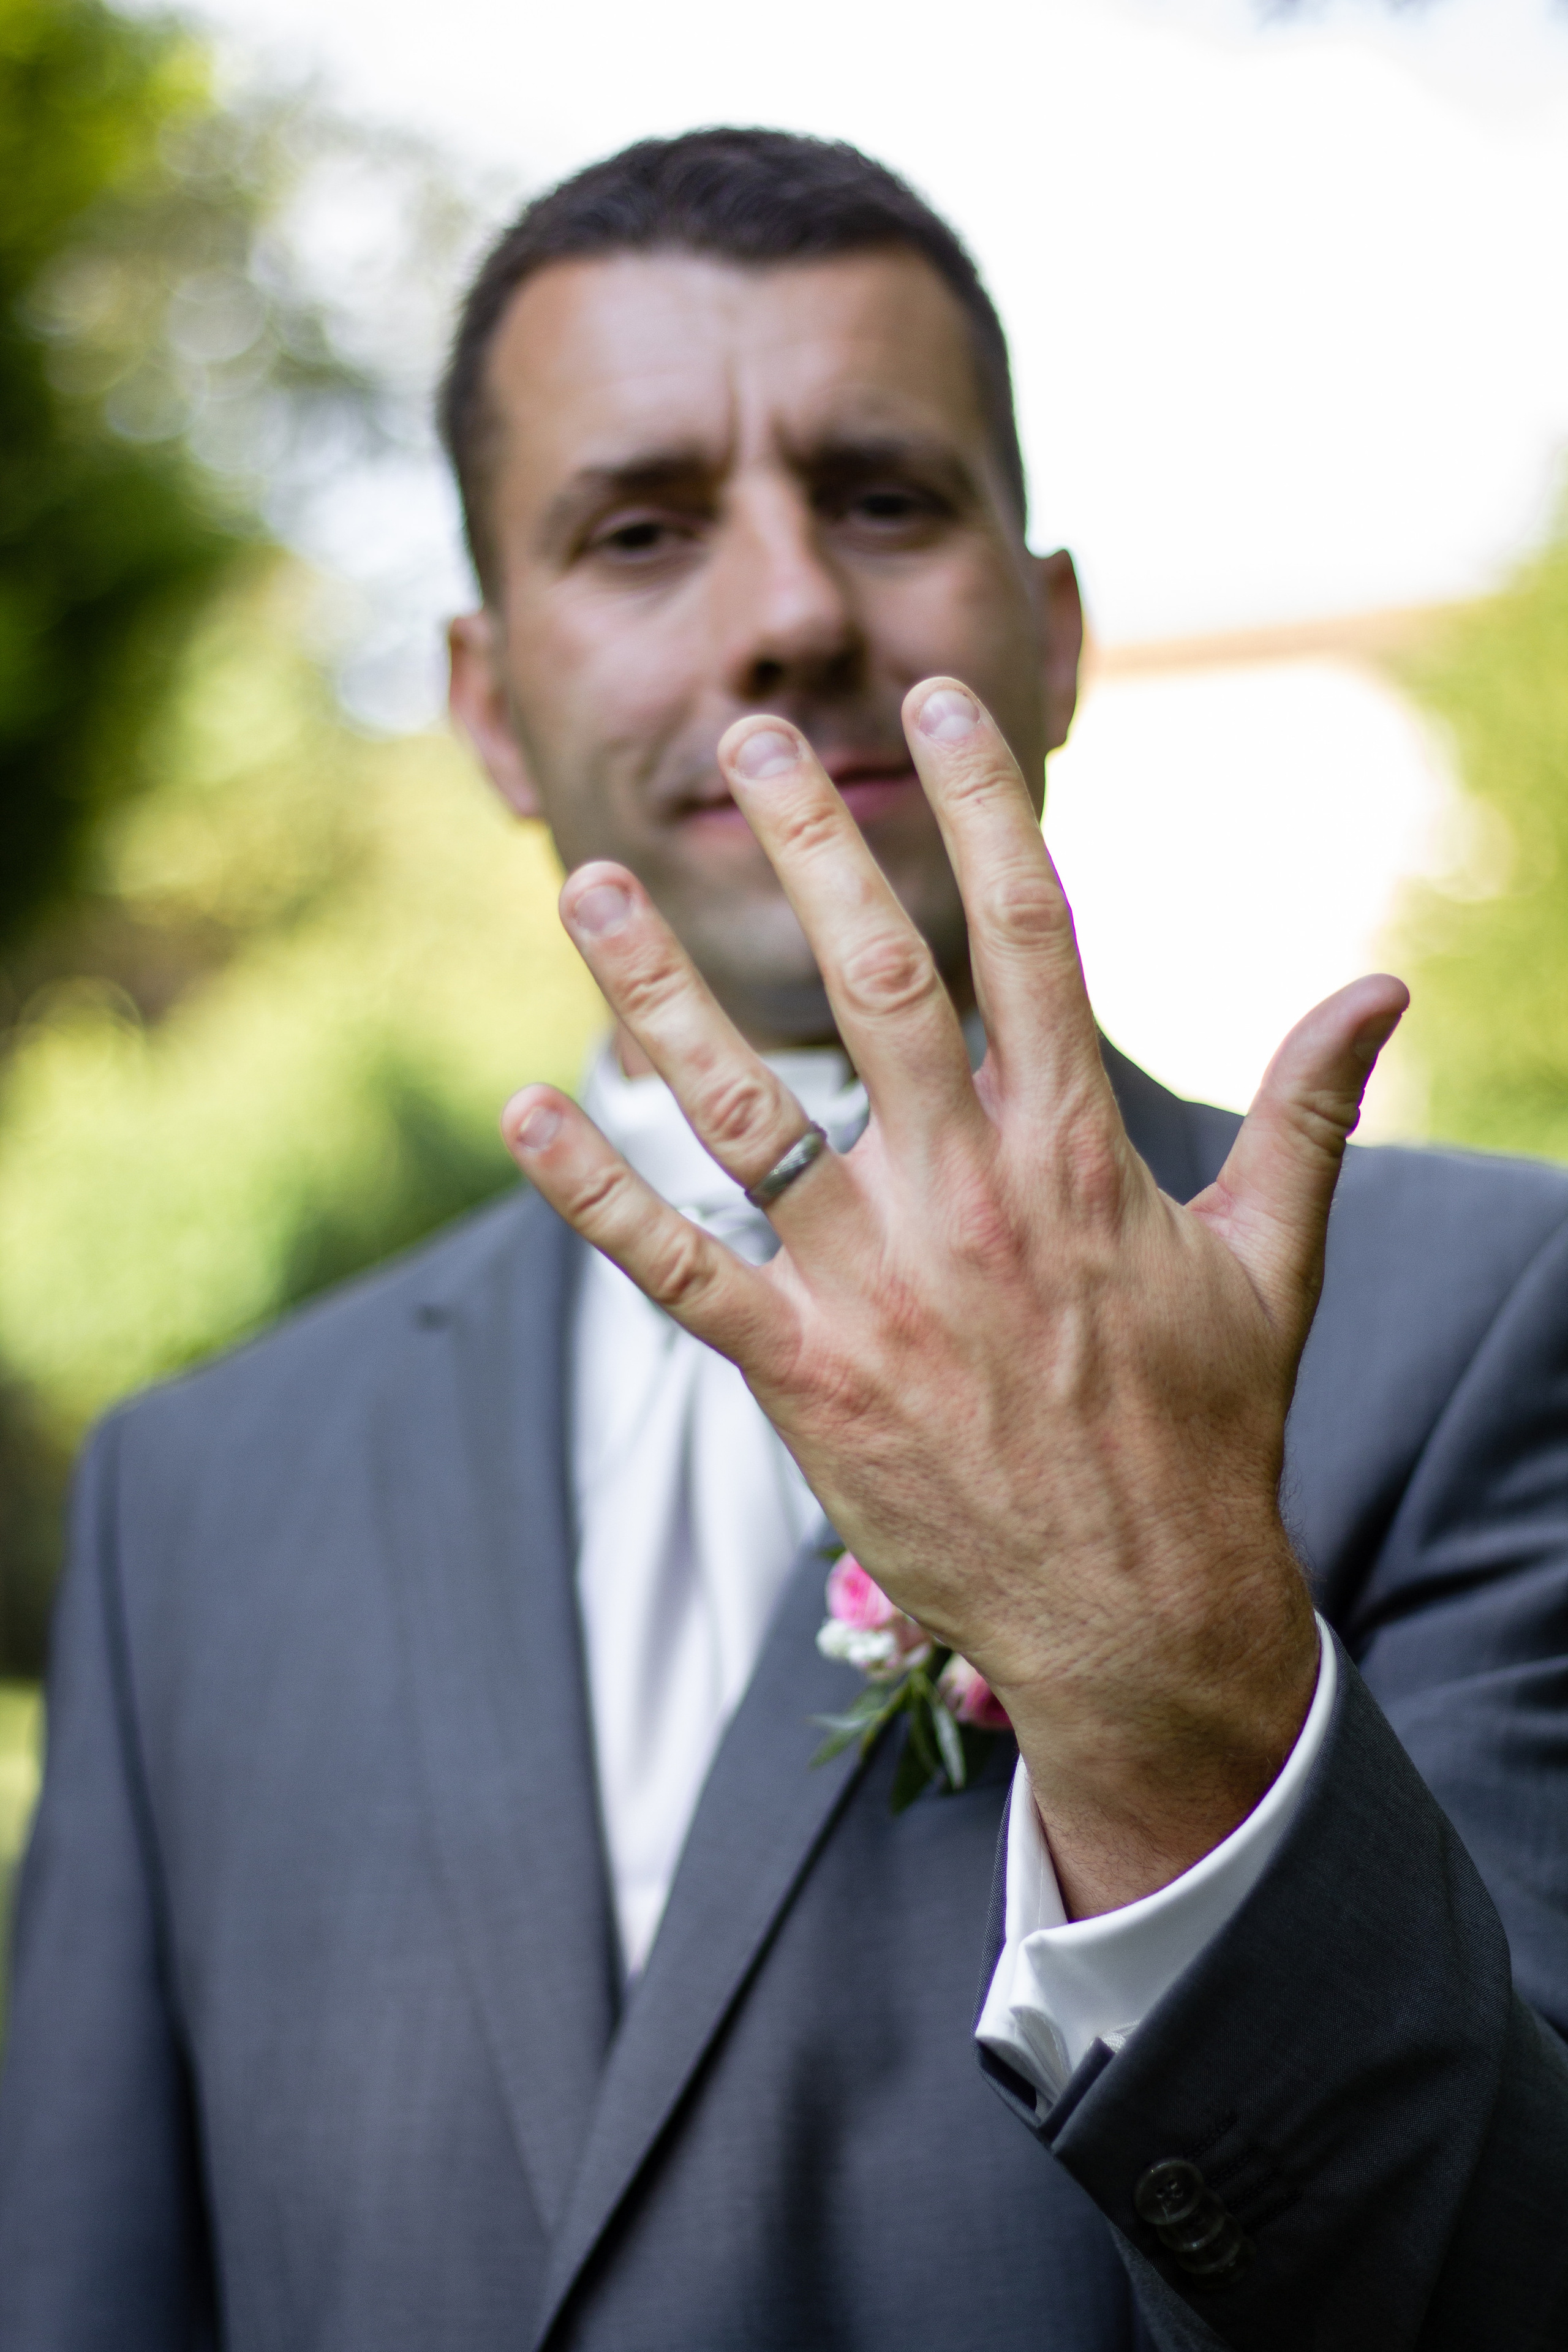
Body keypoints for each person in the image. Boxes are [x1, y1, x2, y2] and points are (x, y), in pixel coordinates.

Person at [1, 127, 1566, 2351]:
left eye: (886, 497)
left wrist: (1151, 1679)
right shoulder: (198, 1496)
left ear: (1054, 633)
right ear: (481, 697)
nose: (788, 611)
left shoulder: (1487, 1328)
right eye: (639, 531)